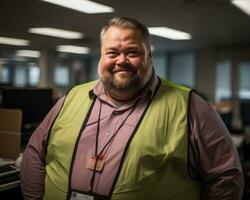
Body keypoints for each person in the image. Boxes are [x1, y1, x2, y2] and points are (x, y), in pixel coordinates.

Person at [20, 16, 244, 200]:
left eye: (133, 52)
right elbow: (34, 153)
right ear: (101, 56)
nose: (121, 60)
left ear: (150, 57)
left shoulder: (190, 106)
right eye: (112, 53)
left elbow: (226, 176)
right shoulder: (72, 97)